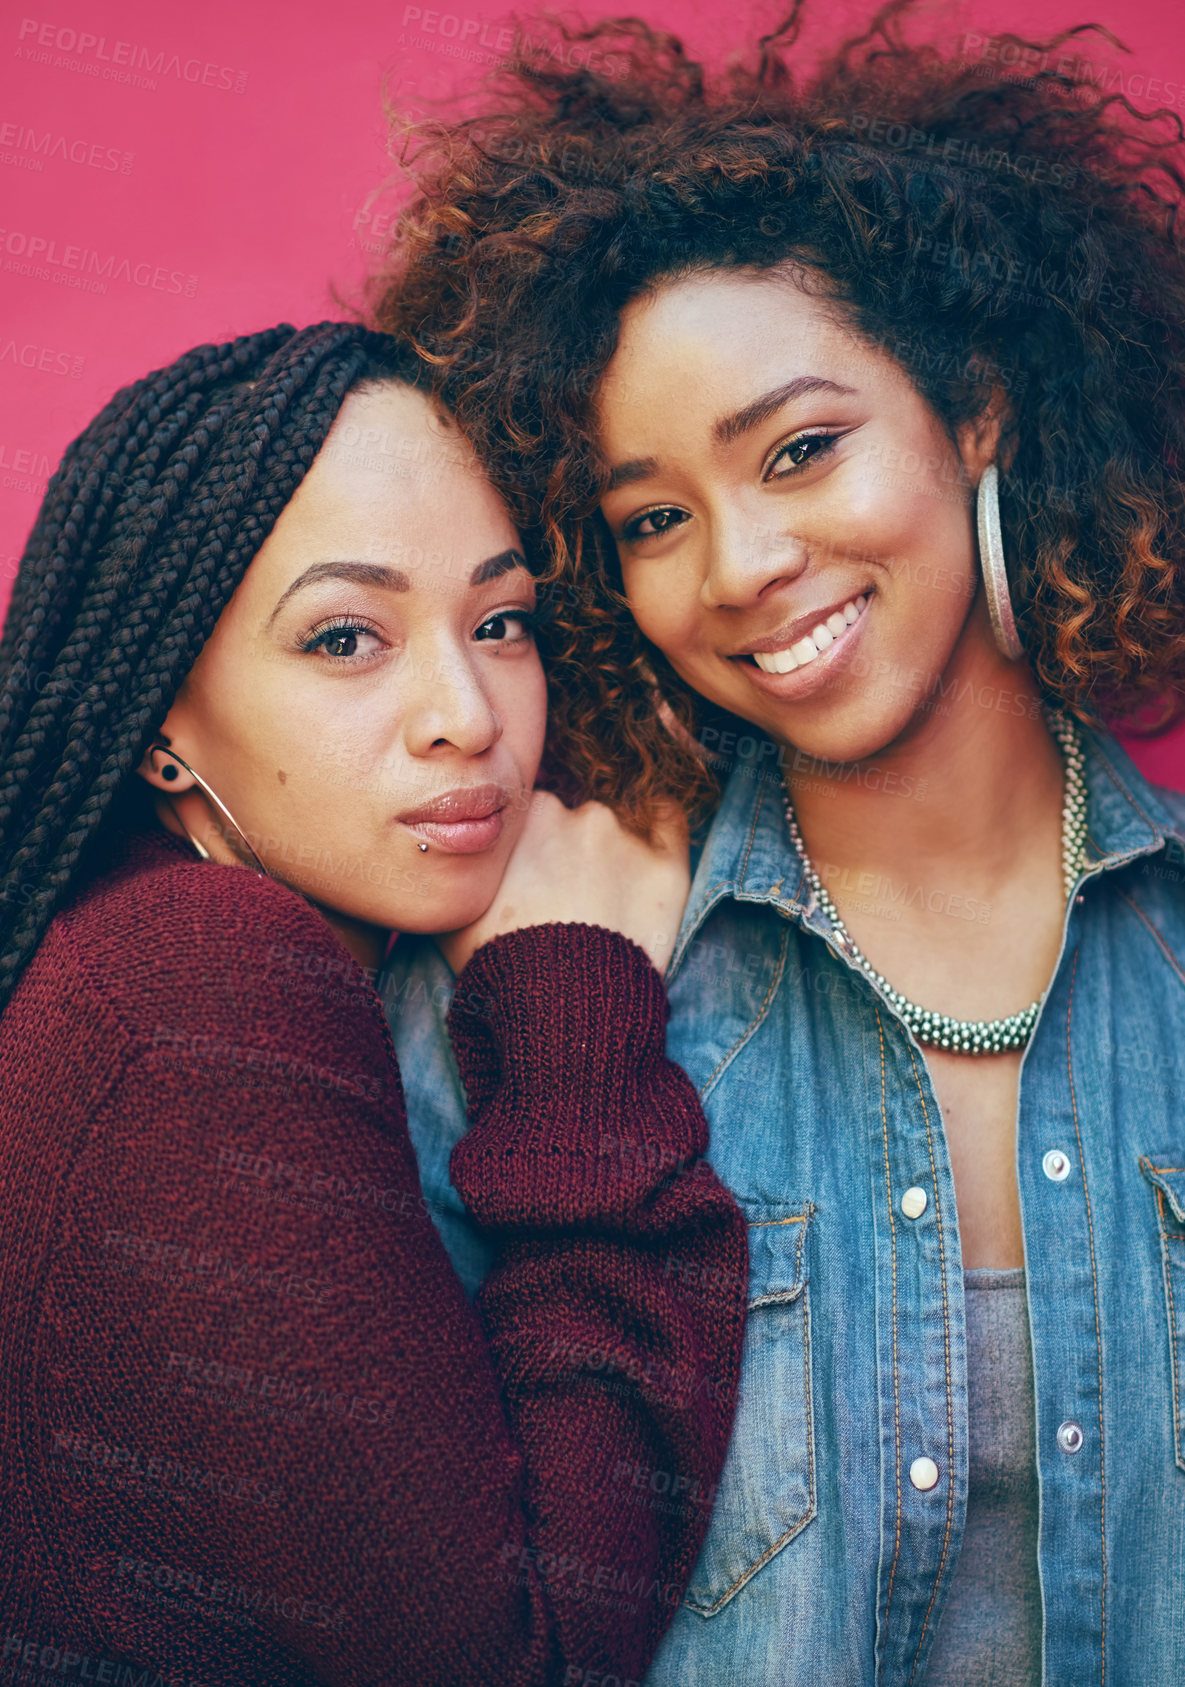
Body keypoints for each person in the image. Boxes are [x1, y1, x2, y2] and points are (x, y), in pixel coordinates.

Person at [372, 6, 1185, 1682]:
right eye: (652, 518)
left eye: (800, 450)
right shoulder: (553, 995)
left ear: (974, 411)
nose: (737, 565)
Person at [0, 321, 748, 1687]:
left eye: (498, 622)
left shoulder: (123, 946)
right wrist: (574, 1003)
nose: (463, 714)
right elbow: (524, 1660)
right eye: (346, 638)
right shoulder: (192, 987)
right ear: (162, 717)